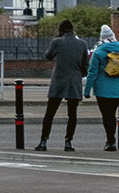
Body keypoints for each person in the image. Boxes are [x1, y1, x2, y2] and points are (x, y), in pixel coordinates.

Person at [36, 19, 88, 151]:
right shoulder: (82, 44)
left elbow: (48, 56)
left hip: (59, 81)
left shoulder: (57, 42)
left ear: (61, 30)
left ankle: (43, 141)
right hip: (74, 82)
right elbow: (85, 66)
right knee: (72, 114)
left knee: (50, 113)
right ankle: (68, 142)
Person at [84, 24, 119, 151]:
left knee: (106, 115)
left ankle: (111, 141)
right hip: (118, 89)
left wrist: (87, 90)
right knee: (113, 114)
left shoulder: (98, 52)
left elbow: (92, 72)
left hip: (102, 90)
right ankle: (111, 139)